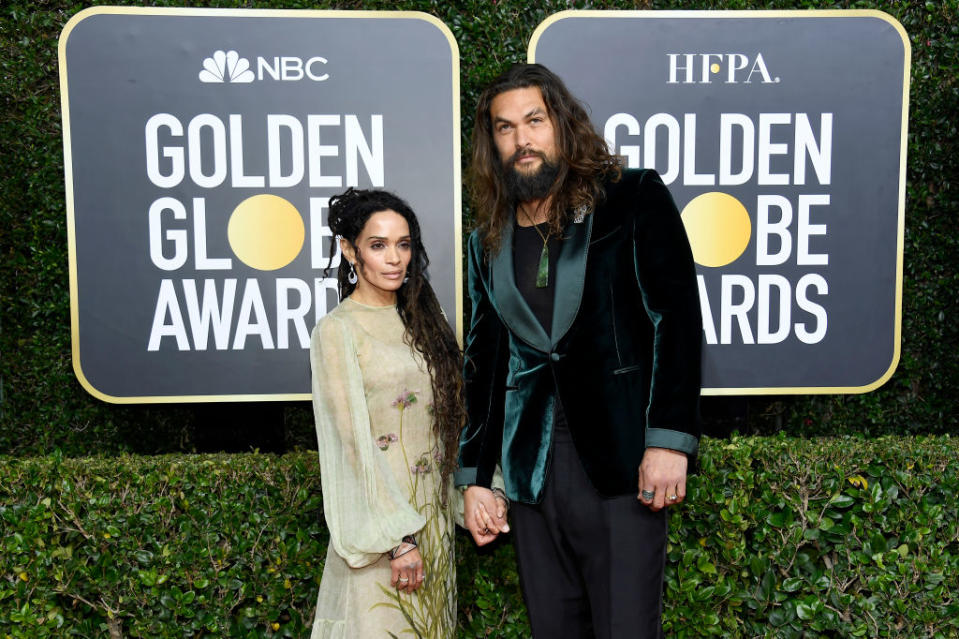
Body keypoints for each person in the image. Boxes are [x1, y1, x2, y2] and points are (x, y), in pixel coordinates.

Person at [455, 63, 703, 638]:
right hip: (531, 477)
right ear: (492, 143)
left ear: (561, 124)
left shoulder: (632, 197)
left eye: (534, 121)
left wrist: (668, 439)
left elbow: (678, 319)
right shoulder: (486, 241)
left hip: (620, 464)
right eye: (505, 127)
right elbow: (483, 366)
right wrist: (474, 476)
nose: (522, 139)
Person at [309, 188, 468, 638]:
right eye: (378, 245)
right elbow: (354, 446)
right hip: (384, 538)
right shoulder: (337, 331)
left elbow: (451, 422)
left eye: (403, 244)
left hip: (432, 527)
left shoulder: (425, 319)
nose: (394, 258)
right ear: (349, 249)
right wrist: (398, 541)